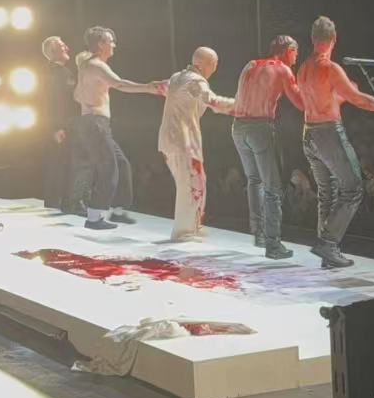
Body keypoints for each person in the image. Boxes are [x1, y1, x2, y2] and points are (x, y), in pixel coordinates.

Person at [296, 16, 374, 270]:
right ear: (334, 39)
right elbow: (361, 100)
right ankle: (329, 244)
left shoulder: (303, 68)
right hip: (328, 133)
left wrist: (341, 96)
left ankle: (327, 251)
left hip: (309, 133)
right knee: (353, 189)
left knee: (328, 192)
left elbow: (317, 101)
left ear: (312, 39)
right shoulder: (330, 68)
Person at [70, 27, 165, 232]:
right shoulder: (96, 65)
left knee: (121, 164)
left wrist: (90, 99)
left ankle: (118, 210)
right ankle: (94, 217)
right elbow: (120, 84)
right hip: (95, 123)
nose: (114, 44)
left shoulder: (87, 66)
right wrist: (150, 87)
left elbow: (76, 95)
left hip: (95, 123)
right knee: (109, 168)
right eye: (110, 41)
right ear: (100, 44)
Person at [231, 35, 304, 259]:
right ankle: (273, 245)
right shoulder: (282, 69)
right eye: (295, 51)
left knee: (254, 180)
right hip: (259, 128)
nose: (297, 56)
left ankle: (259, 233)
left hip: (238, 127)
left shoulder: (250, 65)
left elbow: (239, 95)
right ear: (288, 50)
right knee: (273, 188)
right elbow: (301, 103)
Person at [158, 47, 235, 242]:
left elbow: (155, 87)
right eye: (213, 64)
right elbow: (213, 101)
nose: (214, 69)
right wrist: (241, 106)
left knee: (195, 182)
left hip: (170, 140)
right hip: (182, 141)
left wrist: (125, 85)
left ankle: (192, 227)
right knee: (191, 184)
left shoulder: (177, 77)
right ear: (205, 64)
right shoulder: (196, 81)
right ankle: (183, 232)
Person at [40, 34, 78, 212]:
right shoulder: (52, 73)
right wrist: (56, 128)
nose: (67, 48)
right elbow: (51, 102)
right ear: (53, 52)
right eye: (63, 46)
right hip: (60, 126)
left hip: (68, 124)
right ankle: (54, 205)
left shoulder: (64, 72)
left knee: (67, 163)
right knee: (58, 164)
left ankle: (65, 204)